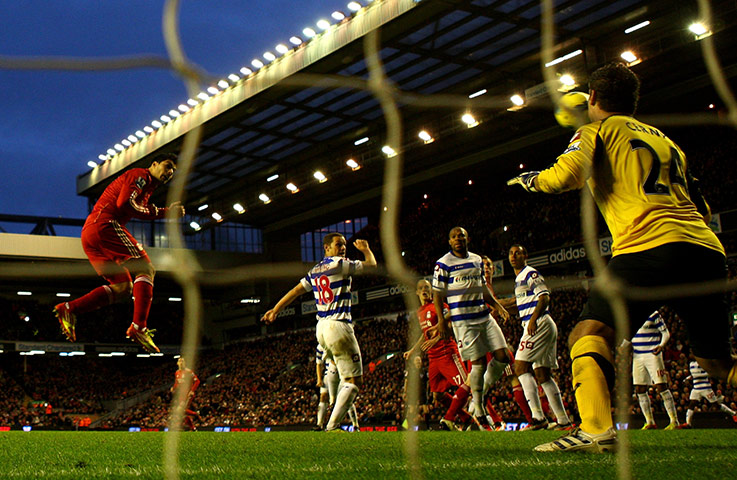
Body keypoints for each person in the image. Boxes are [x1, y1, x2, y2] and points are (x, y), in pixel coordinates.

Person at [508, 62, 730, 453]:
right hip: (705, 249)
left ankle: (595, 430)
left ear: (592, 98)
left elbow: (563, 177)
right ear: (633, 101)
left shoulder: (596, 130)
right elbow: (702, 203)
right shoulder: (666, 141)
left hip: (648, 247)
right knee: (716, 363)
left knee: (588, 334)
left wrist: (530, 180)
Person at [54, 154, 184, 353]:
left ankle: (69, 309)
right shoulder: (140, 176)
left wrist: (163, 212)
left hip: (91, 233)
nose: (170, 173)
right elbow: (124, 203)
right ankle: (139, 327)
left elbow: (133, 206)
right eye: (167, 167)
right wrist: (164, 213)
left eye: (173, 171)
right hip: (105, 224)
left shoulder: (147, 187)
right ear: (154, 164)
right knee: (146, 269)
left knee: (123, 287)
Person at [262, 233, 376, 432]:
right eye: (338, 244)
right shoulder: (339, 264)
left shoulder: (315, 270)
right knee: (354, 381)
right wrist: (366, 249)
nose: (343, 248)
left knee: (344, 379)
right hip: (338, 325)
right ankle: (332, 426)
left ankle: (334, 422)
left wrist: (276, 309)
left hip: (321, 329)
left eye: (344, 245)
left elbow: (297, 290)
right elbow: (372, 265)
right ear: (327, 248)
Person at [433, 226, 511, 429]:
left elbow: (483, 288)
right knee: (478, 365)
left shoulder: (477, 259)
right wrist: (441, 320)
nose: (458, 238)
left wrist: (497, 306)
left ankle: (481, 393)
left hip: (484, 316)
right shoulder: (443, 263)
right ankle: (479, 408)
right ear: (449, 241)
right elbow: (438, 294)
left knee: (503, 355)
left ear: (467, 238)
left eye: (461, 235)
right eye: (454, 236)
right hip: (463, 321)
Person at [498, 245, 572, 431]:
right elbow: (518, 305)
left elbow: (544, 297)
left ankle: (538, 418)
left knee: (520, 367)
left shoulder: (530, 274)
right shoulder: (519, 280)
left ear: (526, 255)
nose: (514, 256)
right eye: (511, 253)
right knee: (543, 375)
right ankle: (563, 421)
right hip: (539, 324)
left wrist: (532, 320)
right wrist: (498, 307)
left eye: (518, 253)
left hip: (538, 324)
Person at [404, 279, 471, 431]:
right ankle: (466, 417)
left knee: (466, 385)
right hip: (433, 357)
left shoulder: (440, 306)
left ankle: (485, 419)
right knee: (437, 395)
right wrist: (413, 350)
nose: (424, 290)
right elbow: (424, 334)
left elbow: (449, 324)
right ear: (417, 292)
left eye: (427, 287)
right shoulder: (419, 312)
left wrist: (436, 339)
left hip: (447, 352)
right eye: (421, 288)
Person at [619, 310, 680, 430]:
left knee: (661, 386)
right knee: (640, 389)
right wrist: (621, 347)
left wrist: (661, 345)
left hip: (653, 354)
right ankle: (650, 421)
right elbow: (628, 337)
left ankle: (674, 421)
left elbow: (665, 333)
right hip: (637, 356)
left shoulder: (653, 314)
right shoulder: (631, 316)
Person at [680, 352, 737, 428]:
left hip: (705, 388)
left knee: (715, 405)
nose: (691, 355)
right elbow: (693, 374)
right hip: (696, 388)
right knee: (691, 404)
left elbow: (709, 373)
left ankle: (733, 413)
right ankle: (688, 424)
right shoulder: (691, 364)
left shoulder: (703, 363)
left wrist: (696, 375)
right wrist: (687, 378)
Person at [171, 356, 201, 431]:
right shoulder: (177, 373)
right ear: (177, 363)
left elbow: (197, 381)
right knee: (182, 413)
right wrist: (173, 388)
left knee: (180, 410)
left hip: (188, 394)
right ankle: (193, 428)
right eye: (180, 361)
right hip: (181, 395)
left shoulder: (189, 372)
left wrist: (192, 390)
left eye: (182, 361)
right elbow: (177, 383)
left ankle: (195, 415)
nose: (181, 362)